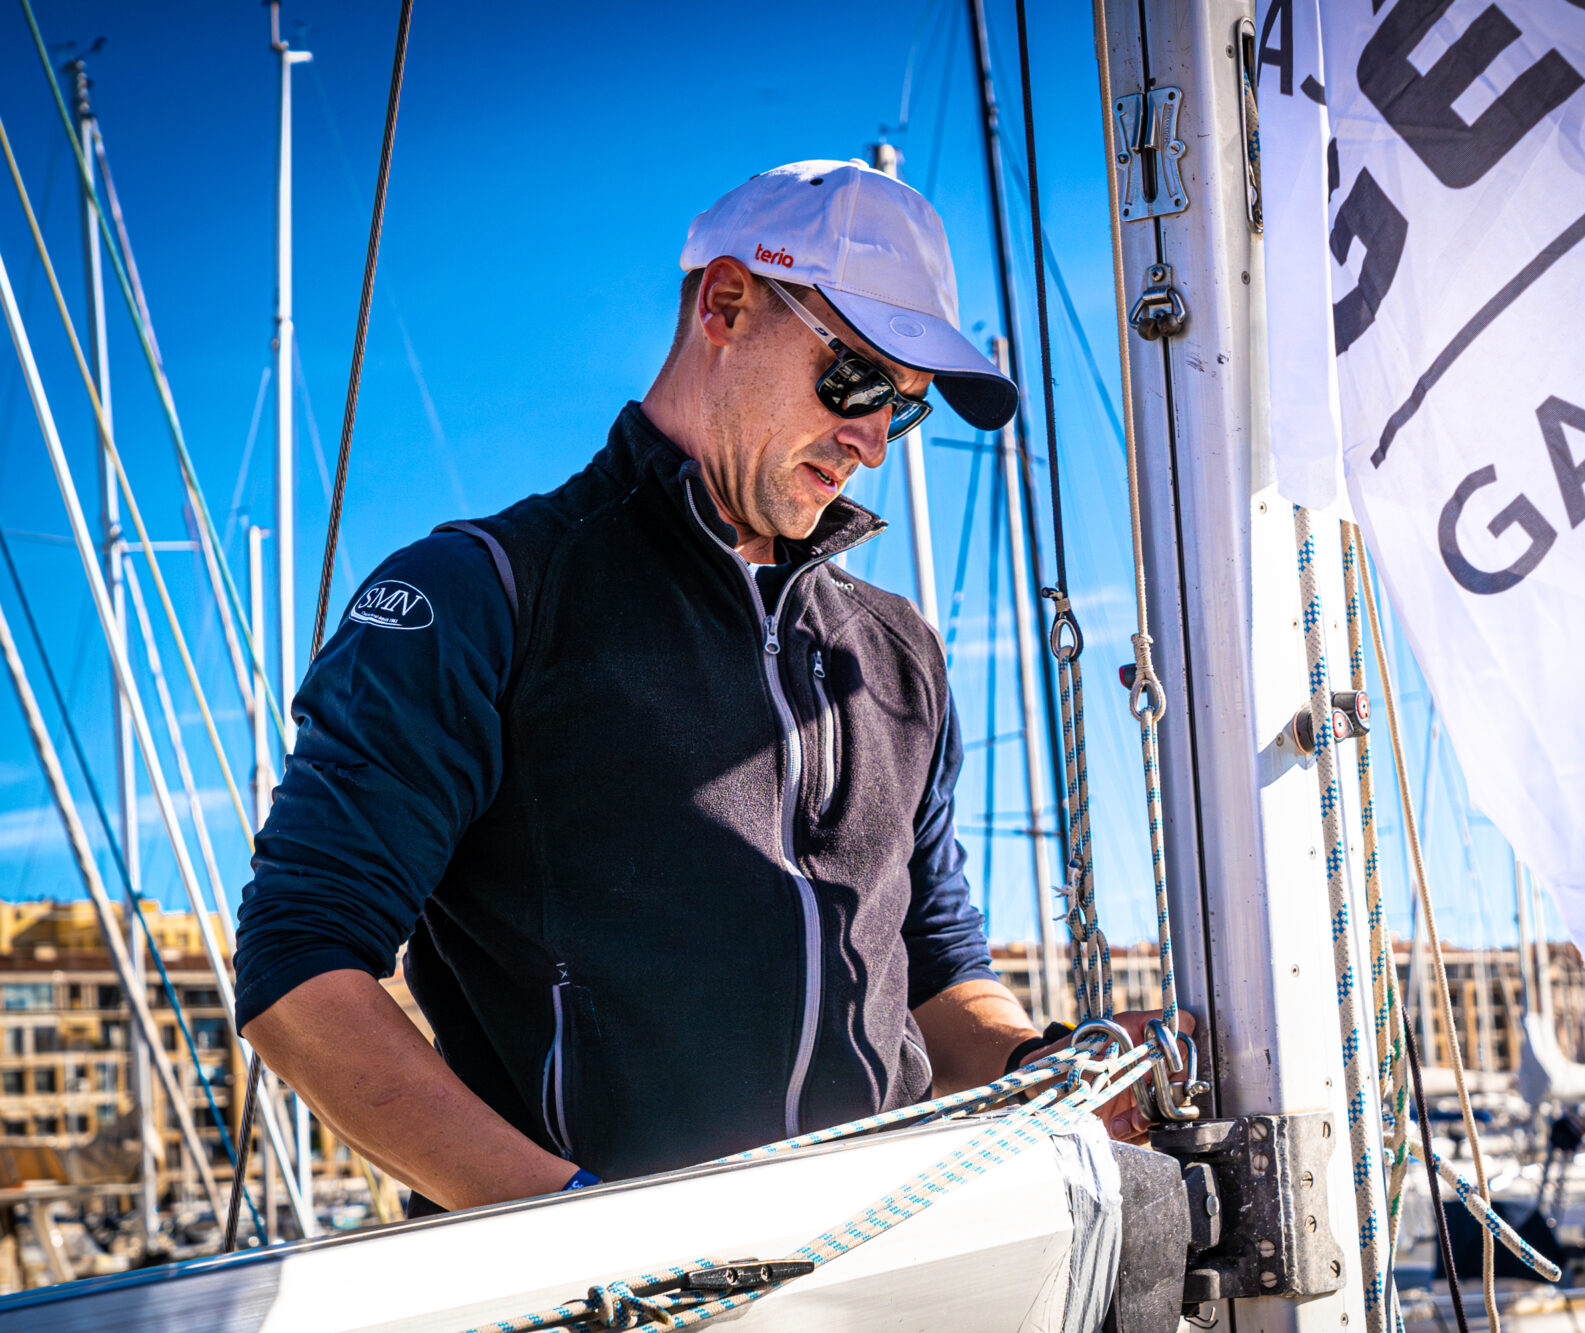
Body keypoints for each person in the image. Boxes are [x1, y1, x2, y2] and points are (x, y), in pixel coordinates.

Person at [235, 159, 1184, 1214]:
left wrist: (1041, 1067)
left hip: (890, 1253)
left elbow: (935, 969)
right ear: (725, 305)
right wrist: (574, 1225)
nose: (872, 440)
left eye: (903, 411)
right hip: (598, 1280)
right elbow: (300, 962)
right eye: (857, 381)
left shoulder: (896, 654)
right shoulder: (483, 594)